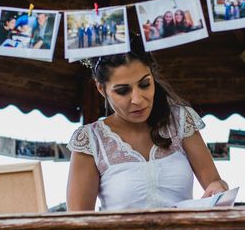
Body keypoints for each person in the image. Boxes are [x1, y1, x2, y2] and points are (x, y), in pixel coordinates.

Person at [66, 37, 230, 211]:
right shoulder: (90, 141)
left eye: (145, 84)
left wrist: (219, 188)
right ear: (101, 89)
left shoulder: (180, 121)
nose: (137, 99)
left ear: (152, 76)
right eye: (123, 91)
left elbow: (214, 183)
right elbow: (78, 221)